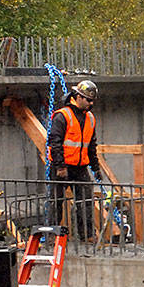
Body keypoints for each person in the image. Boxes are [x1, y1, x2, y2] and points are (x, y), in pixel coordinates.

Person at [46, 80, 103, 241]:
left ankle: (87, 235)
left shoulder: (90, 118)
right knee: (56, 201)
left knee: (85, 202)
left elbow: (91, 146)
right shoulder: (63, 116)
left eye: (92, 100)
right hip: (62, 167)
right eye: (88, 100)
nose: (91, 103)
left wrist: (96, 167)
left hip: (80, 167)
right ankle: (51, 235)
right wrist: (60, 166)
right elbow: (54, 142)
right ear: (78, 97)